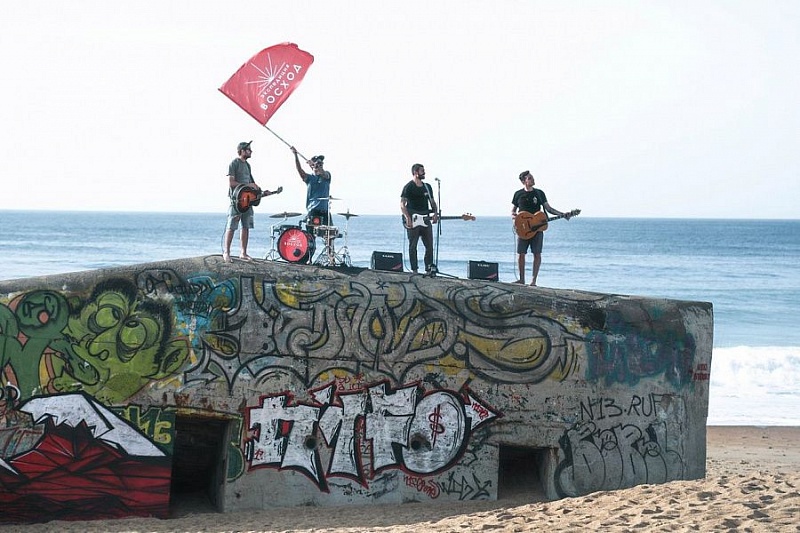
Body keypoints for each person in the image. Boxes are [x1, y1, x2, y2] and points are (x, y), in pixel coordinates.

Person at [511, 170, 574, 286]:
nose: (533, 179)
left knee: (537, 253)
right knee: (521, 254)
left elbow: (548, 209)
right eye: (530, 178)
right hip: (523, 229)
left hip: (537, 229)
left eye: (532, 177)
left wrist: (562, 214)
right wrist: (514, 219)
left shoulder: (539, 193)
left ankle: (533, 281)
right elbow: (513, 211)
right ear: (524, 181)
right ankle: (521, 279)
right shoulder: (518, 194)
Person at [222, 140, 263, 263]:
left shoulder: (248, 166)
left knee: (246, 226)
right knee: (232, 225)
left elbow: (252, 184)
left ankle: (243, 253)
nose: (251, 151)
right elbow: (232, 183)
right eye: (249, 149)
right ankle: (227, 252)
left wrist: (259, 191)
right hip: (237, 201)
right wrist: (247, 184)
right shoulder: (234, 163)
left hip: (247, 201)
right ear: (242, 151)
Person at [400, 163, 439, 275]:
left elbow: (432, 202)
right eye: (422, 171)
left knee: (429, 245)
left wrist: (435, 213)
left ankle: (428, 269)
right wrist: (408, 218)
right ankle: (415, 270)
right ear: (416, 173)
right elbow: (402, 204)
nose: (424, 173)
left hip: (425, 218)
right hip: (413, 218)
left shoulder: (427, 186)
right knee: (413, 246)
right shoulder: (408, 187)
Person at [292, 147, 332, 227]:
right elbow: (300, 170)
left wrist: (316, 165)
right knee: (310, 235)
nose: (320, 165)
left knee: (330, 233)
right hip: (313, 210)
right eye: (318, 163)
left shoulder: (327, 175)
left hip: (325, 211)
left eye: (321, 163)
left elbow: (323, 173)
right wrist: (296, 155)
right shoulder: (309, 178)